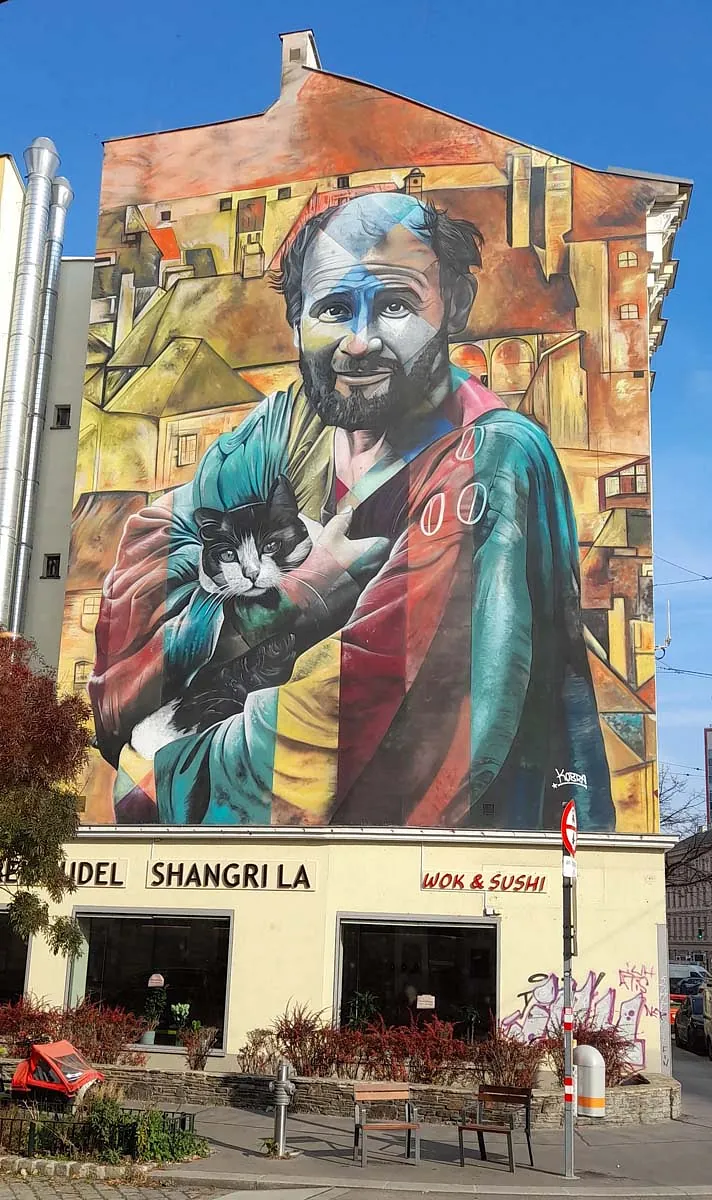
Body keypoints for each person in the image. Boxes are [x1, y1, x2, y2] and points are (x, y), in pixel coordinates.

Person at [89, 191, 614, 831]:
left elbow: (362, 714)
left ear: (456, 305)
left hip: (435, 875)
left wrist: (161, 767)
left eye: (395, 305)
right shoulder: (286, 426)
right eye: (334, 309)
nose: (359, 343)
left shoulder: (490, 463)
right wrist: (296, 595)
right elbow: (134, 604)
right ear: (296, 322)